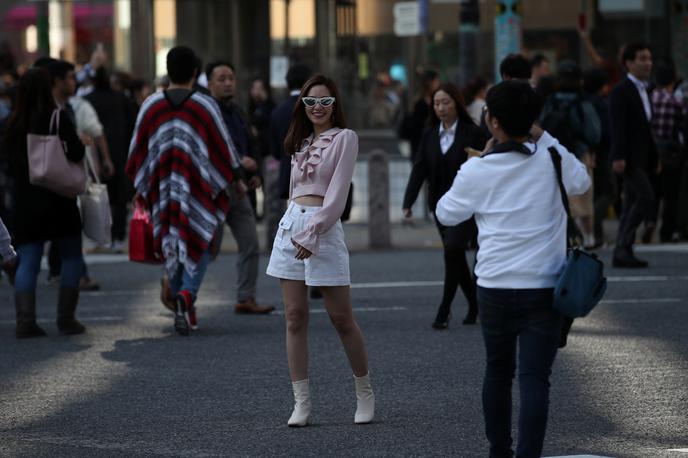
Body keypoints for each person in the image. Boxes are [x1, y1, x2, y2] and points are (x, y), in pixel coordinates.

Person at [435, 80, 590, 457]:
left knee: (498, 372)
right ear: (533, 120)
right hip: (545, 286)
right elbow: (582, 181)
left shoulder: (479, 170)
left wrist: (478, 162)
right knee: (536, 378)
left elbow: (446, 212)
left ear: (493, 121)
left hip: (495, 286)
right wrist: (544, 136)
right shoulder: (551, 158)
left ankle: (498, 451)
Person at [266, 74, 375, 427]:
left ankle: (364, 393)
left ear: (335, 105)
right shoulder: (298, 142)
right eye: (311, 101)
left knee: (341, 318)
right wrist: (295, 228)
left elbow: (338, 197)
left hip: (323, 230)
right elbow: (293, 194)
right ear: (302, 104)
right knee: (295, 317)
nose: (317, 107)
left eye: (325, 101)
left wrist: (313, 231)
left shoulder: (346, 138)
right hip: (291, 227)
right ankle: (301, 403)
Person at [126, 46, 246, 336]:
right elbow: (224, 148)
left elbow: (137, 150)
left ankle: (184, 300)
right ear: (195, 73)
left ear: (168, 70)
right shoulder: (204, 105)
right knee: (200, 239)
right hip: (198, 188)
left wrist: (141, 188)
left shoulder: (151, 105)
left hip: (163, 189)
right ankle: (187, 295)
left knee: (173, 240)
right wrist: (237, 179)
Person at [2, 67, 87, 338]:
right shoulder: (56, 117)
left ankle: (25, 321)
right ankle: (66, 319)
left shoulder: (12, 123)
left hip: (26, 201)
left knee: (28, 260)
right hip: (59, 197)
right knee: (71, 256)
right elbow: (76, 151)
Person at [402, 82, 486, 329]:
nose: (440, 107)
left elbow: (486, 165)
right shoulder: (429, 134)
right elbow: (419, 169)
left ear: (457, 103)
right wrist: (409, 201)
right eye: (436, 103)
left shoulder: (473, 132)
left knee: (452, 249)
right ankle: (474, 304)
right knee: (455, 255)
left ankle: (444, 309)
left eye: (446, 102)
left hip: (468, 206)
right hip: (439, 207)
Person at [205, 60, 274, 315]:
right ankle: (180, 289)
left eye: (230, 78)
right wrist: (237, 167)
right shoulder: (207, 112)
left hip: (240, 189)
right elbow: (213, 150)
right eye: (221, 79)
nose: (227, 83)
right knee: (208, 248)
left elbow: (248, 143)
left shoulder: (237, 110)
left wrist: (253, 173)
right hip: (216, 190)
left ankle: (246, 297)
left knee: (250, 244)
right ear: (209, 83)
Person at [539, 61, 601, 248]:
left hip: (552, 154)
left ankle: (566, 238)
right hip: (579, 153)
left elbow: (541, 126)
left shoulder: (550, 101)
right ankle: (588, 238)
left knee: (559, 197)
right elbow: (594, 132)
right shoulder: (583, 103)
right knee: (583, 197)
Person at [610, 43, 658, 268]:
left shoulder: (645, 89)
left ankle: (624, 251)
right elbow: (618, 126)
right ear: (628, 63)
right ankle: (622, 246)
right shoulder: (622, 90)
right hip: (627, 157)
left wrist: (654, 158)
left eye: (649, 58)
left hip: (641, 157)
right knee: (645, 197)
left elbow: (646, 128)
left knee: (630, 202)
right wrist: (618, 156)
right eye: (642, 58)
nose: (647, 63)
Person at [85, 66, 135, 253]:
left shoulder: (87, 100)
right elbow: (131, 125)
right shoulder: (121, 99)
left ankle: (99, 236)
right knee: (119, 198)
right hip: (120, 152)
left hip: (94, 155)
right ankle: (118, 237)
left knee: (96, 196)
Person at [270, 64, 312, 242]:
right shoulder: (314, 109)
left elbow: (274, 151)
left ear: (287, 85)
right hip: (311, 173)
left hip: (287, 172)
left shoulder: (278, 112)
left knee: (292, 218)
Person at [650, 61, 686, 242]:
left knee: (653, 192)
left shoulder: (650, 98)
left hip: (652, 151)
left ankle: (650, 224)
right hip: (671, 154)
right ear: (673, 80)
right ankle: (666, 231)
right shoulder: (677, 101)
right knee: (671, 195)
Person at [584, 67, 614, 248]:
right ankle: (595, 229)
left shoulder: (585, 101)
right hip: (602, 153)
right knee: (609, 192)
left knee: (595, 193)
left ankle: (596, 234)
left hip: (589, 152)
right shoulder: (601, 103)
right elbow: (606, 132)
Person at [403, 69, 440, 162]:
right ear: (430, 82)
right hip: (420, 146)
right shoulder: (419, 103)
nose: (438, 84)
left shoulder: (436, 101)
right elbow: (416, 128)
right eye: (436, 81)